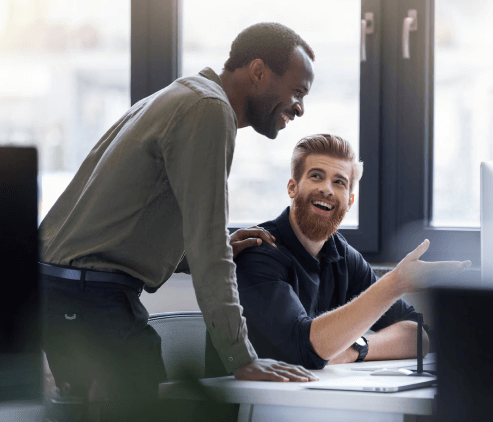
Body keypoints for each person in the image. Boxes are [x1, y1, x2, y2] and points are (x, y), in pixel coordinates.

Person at [39, 23, 318, 420]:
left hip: (74, 293)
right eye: (297, 91)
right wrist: (242, 357)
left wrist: (200, 249)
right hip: (88, 297)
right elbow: (208, 245)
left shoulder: (185, 94)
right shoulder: (209, 109)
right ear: (258, 72)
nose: (300, 108)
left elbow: (138, 211)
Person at [206, 134, 471, 375]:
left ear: (350, 200)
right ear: (292, 187)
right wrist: (395, 283)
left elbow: (420, 335)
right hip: (244, 407)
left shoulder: (343, 255)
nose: (327, 189)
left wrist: (357, 348)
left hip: (310, 400)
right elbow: (307, 350)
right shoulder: (259, 250)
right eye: (316, 176)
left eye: (339, 182)